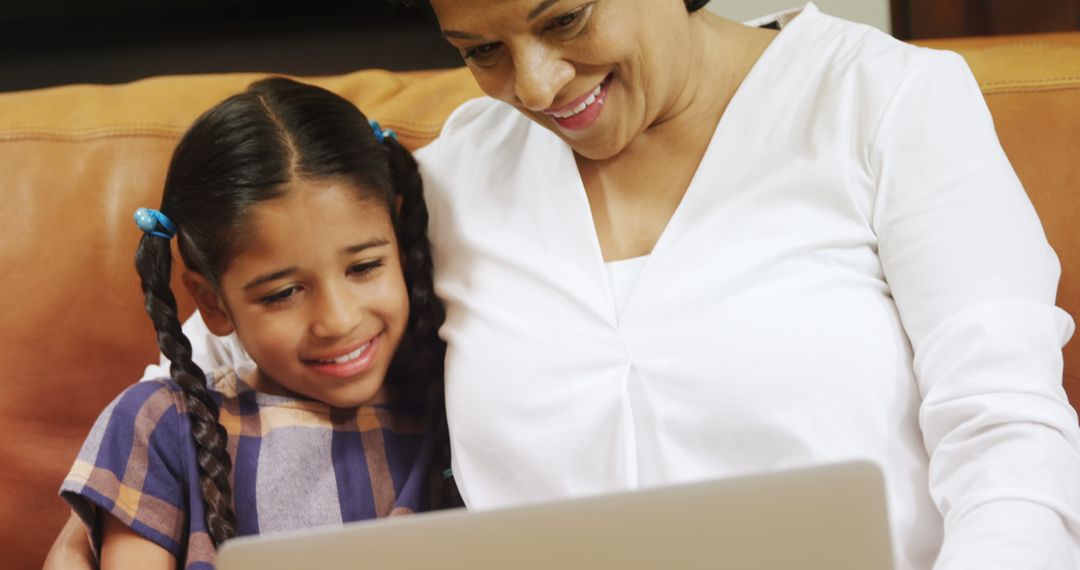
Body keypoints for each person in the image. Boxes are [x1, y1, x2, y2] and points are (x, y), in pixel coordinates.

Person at [48, 2, 1080, 569]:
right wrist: (101, 513)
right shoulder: (459, 171)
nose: (539, 87)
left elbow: (1010, 431)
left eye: (567, 18)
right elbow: (225, 339)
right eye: (482, 50)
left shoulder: (883, 103)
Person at [53, 77, 452, 569]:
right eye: (284, 293)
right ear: (213, 305)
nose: (338, 320)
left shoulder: (449, 406)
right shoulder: (159, 425)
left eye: (364, 267)